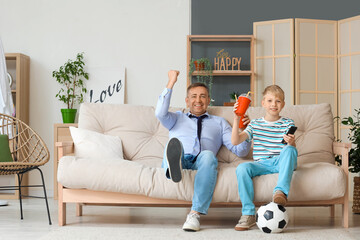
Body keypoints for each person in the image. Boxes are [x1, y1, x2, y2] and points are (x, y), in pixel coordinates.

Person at [155, 70, 251, 232]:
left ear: (208, 100)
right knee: (173, 145)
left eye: (202, 96)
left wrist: (244, 131)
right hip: (181, 156)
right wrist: (172, 81)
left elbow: (240, 151)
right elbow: (160, 112)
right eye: (194, 96)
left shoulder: (220, 122)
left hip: (202, 163)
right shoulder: (176, 118)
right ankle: (173, 167)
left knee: (208, 155)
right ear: (187, 101)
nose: (198, 100)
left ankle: (194, 214)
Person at [231, 85, 298, 231]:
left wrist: (291, 142)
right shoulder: (255, 124)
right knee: (242, 167)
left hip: (282, 161)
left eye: (278, 101)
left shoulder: (288, 123)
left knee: (289, 150)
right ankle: (248, 214)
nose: (274, 104)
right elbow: (235, 141)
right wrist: (237, 119)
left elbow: (291, 150)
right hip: (262, 164)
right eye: (270, 100)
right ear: (263, 103)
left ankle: (280, 192)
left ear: (283, 104)